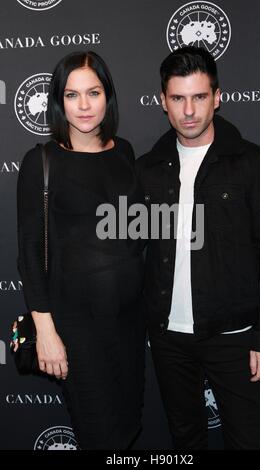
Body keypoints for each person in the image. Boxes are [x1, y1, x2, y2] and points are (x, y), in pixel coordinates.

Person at [136, 46, 260, 449]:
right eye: (178, 98)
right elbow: (128, 247)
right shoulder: (147, 168)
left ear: (217, 97)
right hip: (169, 337)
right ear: (163, 103)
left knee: (246, 440)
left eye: (199, 96)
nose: (189, 110)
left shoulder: (251, 162)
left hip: (235, 335)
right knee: (184, 438)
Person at [17, 50, 145, 450]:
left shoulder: (124, 152)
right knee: (98, 433)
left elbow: (133, 232)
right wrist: (47, 332)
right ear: (58, 100)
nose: (85, 105)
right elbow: (30, 254)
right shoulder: (41, 162)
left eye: (94, 92)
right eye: (72, 95)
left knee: (127, 427)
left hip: (127, 325)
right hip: (76, 329)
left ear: (108, 96)